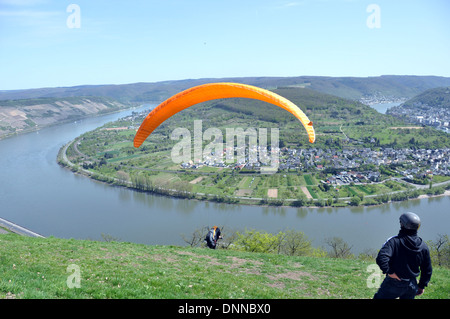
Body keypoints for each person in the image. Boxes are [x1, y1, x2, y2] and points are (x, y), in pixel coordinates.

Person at [374, 212, 432, 299]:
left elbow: (381, 257)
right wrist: (422, 286)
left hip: (394, 282)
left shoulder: (394, 242)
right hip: (412, 284)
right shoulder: (423, 246)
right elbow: (427, 269)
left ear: (402, 224)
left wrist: (390, 272)